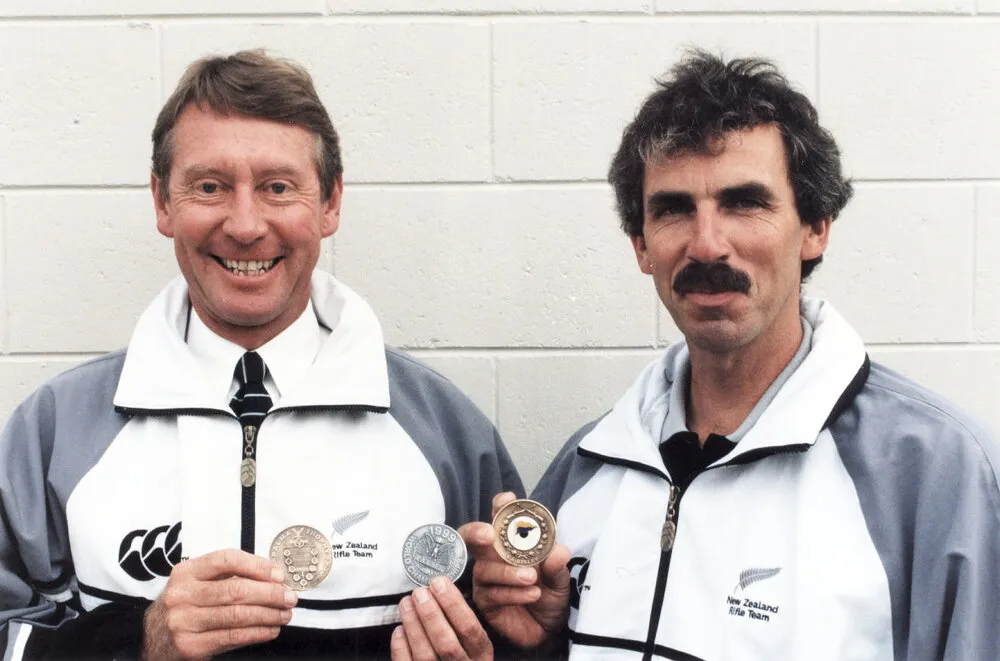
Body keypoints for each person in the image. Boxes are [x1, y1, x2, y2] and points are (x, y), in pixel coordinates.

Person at [456, 50, 1000, 660]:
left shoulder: (941, 476)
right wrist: (545, 638)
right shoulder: (589, 464)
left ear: (816, 226)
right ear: (641, 245)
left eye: (745, 202)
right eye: (673, 209)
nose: (707, 244)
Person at [0, 50, 522, 660]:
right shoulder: (56, 429)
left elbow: (521, 634)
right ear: (162, 202)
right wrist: (138, 642)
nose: (245, 225)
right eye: (210, 187)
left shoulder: (444, 431)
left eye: (277, 188)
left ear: (330, 204)